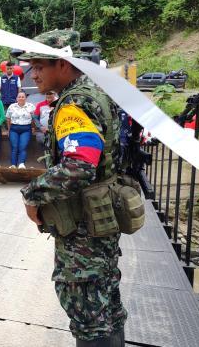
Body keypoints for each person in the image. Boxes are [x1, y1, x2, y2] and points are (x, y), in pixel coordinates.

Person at [19, 30, 127, 346]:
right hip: (101, 221)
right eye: (32, 67)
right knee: (107, 310)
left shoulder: (74, 103)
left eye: (40, 66)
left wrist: (32, 194)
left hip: (83, 230)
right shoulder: (97, 92)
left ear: (64, 64)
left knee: (88, 314)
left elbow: (78, 166)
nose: (33, 74)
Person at [5, 91, 34, 169]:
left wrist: (33, 127)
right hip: (14, 129)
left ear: (25, 98)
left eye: (22, 97)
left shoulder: (30, 106)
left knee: (22, 147)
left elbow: (34, 119)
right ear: (16, 98)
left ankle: (21, 164)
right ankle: (13, 165)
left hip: (26, 129)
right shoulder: (12, 106)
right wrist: (9, 129)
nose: (21, 98)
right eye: (19, 97)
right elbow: (8, 118)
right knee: (14, 147)